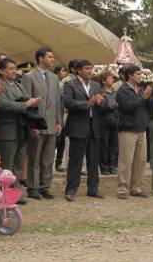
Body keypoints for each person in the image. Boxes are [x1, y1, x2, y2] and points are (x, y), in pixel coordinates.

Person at [0, 58, 40, 205]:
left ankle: (15, 193)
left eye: (14, 68)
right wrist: (25, 104)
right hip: (7, 129)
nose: (13, 71)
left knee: (19, 163)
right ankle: (4, 195)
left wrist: (34, 101)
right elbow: (2, 104)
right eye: (10, 68)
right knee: (7, 164)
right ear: (1, 71)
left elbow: (26, 99)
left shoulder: (18, 85)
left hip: (21, 128)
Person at [62, 60, 108, 201]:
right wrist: (88, 103)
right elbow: (68, 102)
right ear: (78, 70)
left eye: (91, 68)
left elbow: (103, 105)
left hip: (94, 127)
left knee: (93, 160)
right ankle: (70, 190)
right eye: (87, 68)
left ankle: (93, 189)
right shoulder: (70, 84)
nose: (90, 71)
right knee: (75, 160)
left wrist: (101, 101)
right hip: (78, 126)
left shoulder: (96, 85)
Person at [21, 47, 63, 200]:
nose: (52, 59)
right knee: (34, 157)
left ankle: (45, 186)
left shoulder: (54, 77)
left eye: (52, 57)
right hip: (37, 124)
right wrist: (32, 124)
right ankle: (33, 187)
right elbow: (27, 102)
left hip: (52, 123)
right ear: (40, 58)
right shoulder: (29, 77)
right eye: (49, 57)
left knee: (48, 158)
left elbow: (58, 101)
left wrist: (59, 121)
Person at [115, 65, 153, 199]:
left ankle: (136, 187)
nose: (140, 76)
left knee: (141, 161)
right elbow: (128, 107)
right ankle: (122, 189)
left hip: (141, 129)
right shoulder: (122, 91)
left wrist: (150, 97)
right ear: (130, 75)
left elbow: (148, 108)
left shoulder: (142, 89)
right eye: (138, 74)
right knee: (126, 161)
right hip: (127, 130)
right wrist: (144, 98)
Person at [55, 59, 79, 172]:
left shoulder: (82, 80)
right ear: (72, 69)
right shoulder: (66, 81)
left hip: (79, 113)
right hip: (66, 112)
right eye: (77, 67)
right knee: (64, 140)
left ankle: (77, 164)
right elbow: (61, 98)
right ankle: (61, 162)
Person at [99, 71, 119, 175]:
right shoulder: (100, 92)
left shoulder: (115, 91)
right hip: (104, 122)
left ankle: (113, 166)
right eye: (109, 78)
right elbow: (101, 108)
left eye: (112, 78)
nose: (112, 79)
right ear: (103, 81)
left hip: (115, 122)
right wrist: (113, 106)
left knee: (114, 145)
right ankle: (104, 167)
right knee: (104, 145)